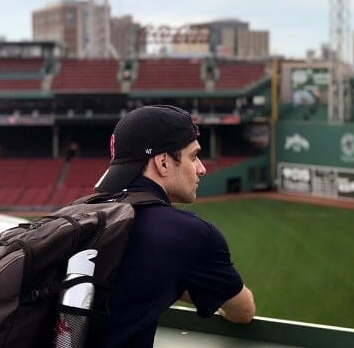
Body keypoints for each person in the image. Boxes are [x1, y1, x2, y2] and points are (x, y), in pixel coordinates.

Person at [93, 104, 255, 348]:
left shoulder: (81, 213)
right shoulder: (191, 234)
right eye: (193, 156)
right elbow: (243, 310)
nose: (201, 169)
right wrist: (176, 282)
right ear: (163, 163)